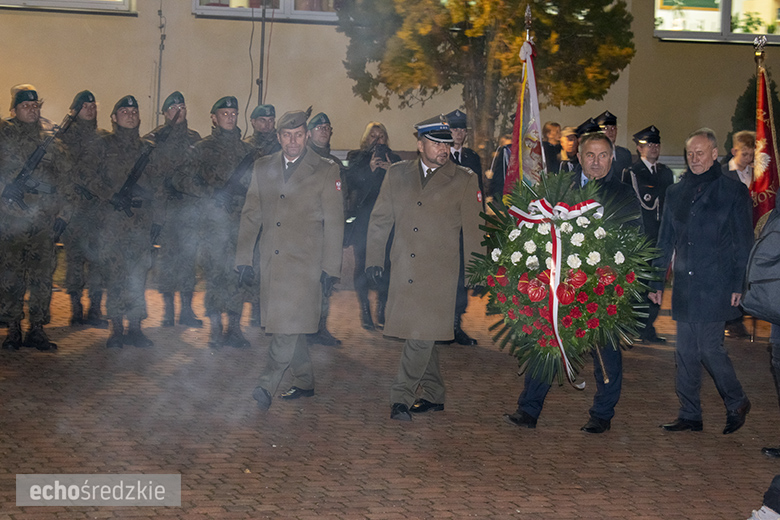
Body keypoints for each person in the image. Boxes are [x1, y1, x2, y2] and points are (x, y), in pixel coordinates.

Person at [504, 131, 640, 434]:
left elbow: (634, 239)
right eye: (589, 155)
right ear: (578, 157)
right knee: (546, 344)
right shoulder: (559, 189)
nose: (596, 161)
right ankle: (528, 410)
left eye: (603, 155)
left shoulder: (623, 194)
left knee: (607, 354)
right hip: (559, 284)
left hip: (602, 288)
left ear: (612, 157)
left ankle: (602, 414)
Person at [365, 116, 483, 421]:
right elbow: (380, 221)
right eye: (436, 142)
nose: (444, 148)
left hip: (438, 277)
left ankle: (400, 397)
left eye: (446, 143)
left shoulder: (464, 179)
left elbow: (475, 230)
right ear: (420, 145)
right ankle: (433, 394)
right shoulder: (397, 174)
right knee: (422, 336)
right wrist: (374, 260)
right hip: (404, 270)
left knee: (419, 336)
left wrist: (477, 271)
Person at [237, 110, 344, 410]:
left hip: (305, 267)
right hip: (272, 264)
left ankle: (266, 385)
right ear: (278, 137)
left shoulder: (325, 169)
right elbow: (251, 214)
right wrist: (243, 258)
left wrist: (330, 268)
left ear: (307, 136)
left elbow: (335, 222)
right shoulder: (263, 166)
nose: (292, 141)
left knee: (285, 328)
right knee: (289, 326)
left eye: (298, 134)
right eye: (286, 135)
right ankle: (305, 381)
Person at [650, 128, 752, 435]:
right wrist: (656, 281)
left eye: (700, 153)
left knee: (709, 348)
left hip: (717, 282)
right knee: (685, 352)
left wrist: (739, 283)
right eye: (690, 154)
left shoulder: (732, 192)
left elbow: (742, 242)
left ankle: (736, 401)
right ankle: (690, 414)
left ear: (714, 154)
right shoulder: (676, 192)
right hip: (685, 283)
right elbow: (665, 239)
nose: (694, 159)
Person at [172, 96, 254, 349]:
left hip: (241, 225)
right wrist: (210, 193)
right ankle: (217, 329)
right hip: (212, 226)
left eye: (233, 113)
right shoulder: (202, 149)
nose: (229, 117)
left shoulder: (247, 151)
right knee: (216, 277)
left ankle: (236, 329)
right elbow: (180, 179)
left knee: (238, 276)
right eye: (224, 113)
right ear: (214, 118)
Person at [81, 95, 162, 348]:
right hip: (113, 221)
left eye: (134, 111)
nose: (130, 115)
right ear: (114, 117)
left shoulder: (148, 148)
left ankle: (136, 327)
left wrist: (158, 220)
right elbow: (84, 175)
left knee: (138, 276)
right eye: (124, 111)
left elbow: (159, 188)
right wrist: (110, 196)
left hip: (141, 221)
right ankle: (116, 328)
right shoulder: (102, 145)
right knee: (115, 275)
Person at [0, 86, 74, 351]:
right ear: (13, 110)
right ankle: (12, 329)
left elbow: (67, 182)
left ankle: (38, 329)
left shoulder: (52, 142)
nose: (31, 110)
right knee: (11, 277)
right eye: (25, 106)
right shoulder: (3, 134)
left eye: (35, 106)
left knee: (42, 278)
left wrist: (64, 215)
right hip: (10, 221)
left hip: (43, 221)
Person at [146, 91, 203, 329]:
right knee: (168, 262)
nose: (178, 111)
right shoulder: (155, 137)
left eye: (182, 106)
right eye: (173, 108)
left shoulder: (195, 137)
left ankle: (187, 311)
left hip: (189, 208)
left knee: (189, 260)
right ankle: (168, 312)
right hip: (166, 209)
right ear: (164, 113)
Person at [59, 90, 109, 329]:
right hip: (74, 209)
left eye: (93, 105)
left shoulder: (104, 138)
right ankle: (76, 308)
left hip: (99, 210)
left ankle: (96, 309)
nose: (90, 109)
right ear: (74, 110)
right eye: (84, 106)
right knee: (75, 261)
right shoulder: (63, 138)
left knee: (98, 261)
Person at [344, 122, 401, 331]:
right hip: (364, 220)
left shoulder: (395, 161)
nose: (377, 140)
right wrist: (369, 169)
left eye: (381, 136)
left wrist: (391, 173)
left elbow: (404, 191)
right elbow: (350, 183)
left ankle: (382, 309)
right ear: (365, 139)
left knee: (387, 265)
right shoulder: (356, 158)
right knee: (362, 266)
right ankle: (365, 311)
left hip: (388, 223)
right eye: (373, 136)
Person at [621, 125, 674, 343]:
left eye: (656, 144)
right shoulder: (632, 173)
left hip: (661, 235)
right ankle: (638, 326)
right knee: (641, 283)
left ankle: (648, 326)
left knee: (657, 281)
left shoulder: (665, 173)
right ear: (639, 147)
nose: (653, 148)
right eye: (648, 144)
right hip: (641, 237)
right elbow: (627, 207)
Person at [305, 111, 344, 347]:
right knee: (307, 283)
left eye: (327, 128)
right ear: (309, 133)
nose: (324, 131)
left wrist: (343, 228)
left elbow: (343, 200)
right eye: (319, 128)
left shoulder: (335, 164)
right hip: (308, 233)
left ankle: (320, 327)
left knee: (326, 282)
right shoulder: (302, 161)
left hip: (329, 232)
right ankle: (305, 328)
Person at [446, 108, 482, 346]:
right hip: (442, 226)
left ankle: (456, 325)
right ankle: (440, 325)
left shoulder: (472, 158)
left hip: (463, 228)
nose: (458, 133)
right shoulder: (438, 155)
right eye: (454, 129)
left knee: (460, 277)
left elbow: (479, 193)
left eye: (462, 129)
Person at [723, 130, 756, 339]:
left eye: (752, 154)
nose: (749, 158)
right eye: (744, 154)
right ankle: (731, 320)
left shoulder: (758, 175)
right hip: (731, 234)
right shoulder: (724, 174)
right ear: (734, 151)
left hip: (751, 231)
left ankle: (741, 314)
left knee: (746, 276)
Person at [595, 110, 633, 178]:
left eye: (613, 128)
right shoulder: (595, 155)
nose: (610, 132)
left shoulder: (625, 154)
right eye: (606, 128)